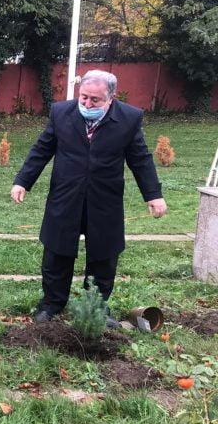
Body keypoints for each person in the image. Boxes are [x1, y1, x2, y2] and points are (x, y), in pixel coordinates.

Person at [11, 70, 168, 326]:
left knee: (104, 255)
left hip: (105, 198)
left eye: (95, 100)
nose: (87, 103)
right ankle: (51, 304)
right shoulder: (61, 112)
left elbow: (140, 158)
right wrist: (22, 181)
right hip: (65, 195)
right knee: (57, 252)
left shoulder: (129, 118)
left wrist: (153, 195)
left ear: (111, 97)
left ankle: (97, 307)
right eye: (83, 97)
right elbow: (42, 148)